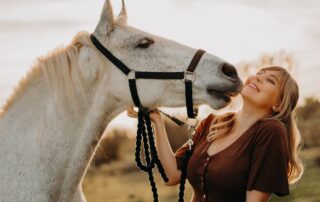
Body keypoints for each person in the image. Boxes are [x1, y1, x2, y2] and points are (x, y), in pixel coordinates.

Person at [126, 66, 304, 202]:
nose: (257, 78)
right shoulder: (212, 122)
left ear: (279, 105)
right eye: (259, 73)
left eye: (270, 80)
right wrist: (157, 121)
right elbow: (172, 175)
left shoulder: (271, 132)